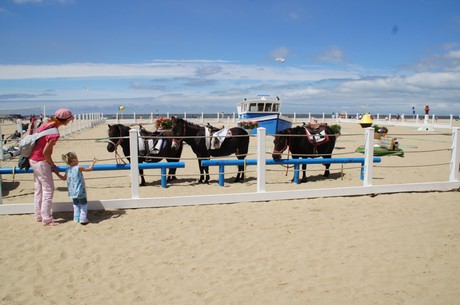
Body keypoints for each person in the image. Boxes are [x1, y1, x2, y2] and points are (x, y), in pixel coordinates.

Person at [29, 108, 74, 226]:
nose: (69, 122)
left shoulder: (46, 124)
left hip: (32, 159)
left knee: (38, 188)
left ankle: (38, 215)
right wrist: (53, 165)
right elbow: (46, 152)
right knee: (48, 190)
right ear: (66, 120)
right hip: (41, 161)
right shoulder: (54, 133)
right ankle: (46, 218)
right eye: (69, 120)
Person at [58, 152, 97, 225]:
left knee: (76, 204)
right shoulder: (79, 168)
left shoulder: (67, 169)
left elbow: (63, 178)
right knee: (83, 204)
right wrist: (93, 162)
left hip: (72, 191)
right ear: (74, 160)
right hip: (80, 190)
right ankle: (83, 218)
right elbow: (89, 169)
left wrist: (57, 173)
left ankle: (76, 218)